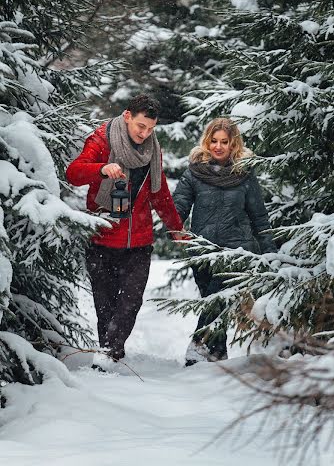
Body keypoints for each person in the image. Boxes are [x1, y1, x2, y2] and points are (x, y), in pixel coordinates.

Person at [66, 94, 184, 364]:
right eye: (141, 126)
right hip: (102, 239)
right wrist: (102, 169)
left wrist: (175, 228)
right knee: (104, 305)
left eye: (151, 128)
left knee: (130, 303)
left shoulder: (152, 149)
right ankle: (108, 352)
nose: (145, 133)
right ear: (128, 116)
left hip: (139, 241)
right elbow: (73, 173)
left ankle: (109, 353)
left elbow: (160, 192)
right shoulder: (101, 139)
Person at [173, 117, 276, 366]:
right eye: (214, 141)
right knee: (213, 303)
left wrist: (269, 250)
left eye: (224, 142)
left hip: (236, 250)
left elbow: (259, 216)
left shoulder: (244, 175)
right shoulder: (195, 173)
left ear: (233, 145)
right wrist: (175, 226)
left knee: (216, 299)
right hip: (202, 251)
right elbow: (179, 204)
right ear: (207, 142)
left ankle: (197, 348)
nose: (218, 147)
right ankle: (218, 356)